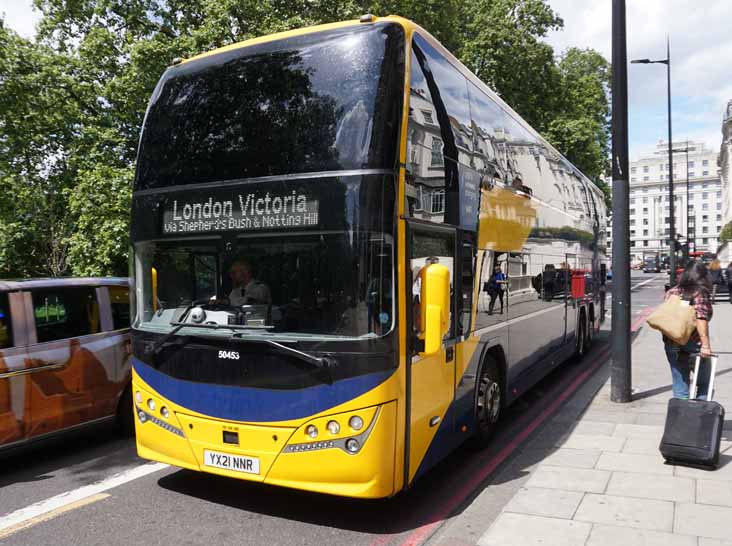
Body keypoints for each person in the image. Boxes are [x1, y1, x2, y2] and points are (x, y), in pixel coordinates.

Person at [663, 261, 714, 400]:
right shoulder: (699, 292)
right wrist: (705, 345)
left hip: (672, 341)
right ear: (703, 276)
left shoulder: (671, 291)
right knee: (704, 384)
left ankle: (681, 418)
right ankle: (700, 417)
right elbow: (701, 318)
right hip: (693, 343)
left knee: (680, 384)